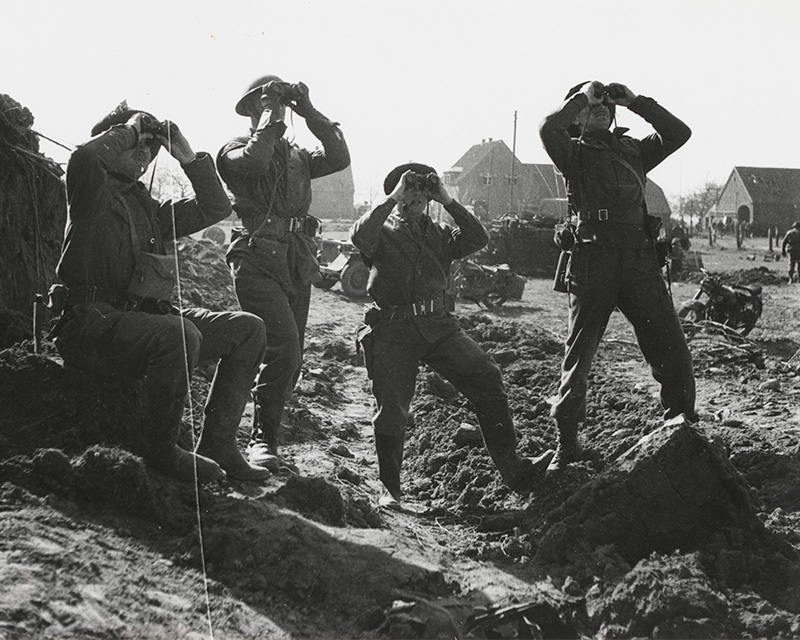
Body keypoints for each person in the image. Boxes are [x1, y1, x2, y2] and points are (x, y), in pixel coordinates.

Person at [54, 103, 270, 483]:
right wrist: (134, 129)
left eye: (151, 151)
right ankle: (158, 448)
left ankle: (218, 444)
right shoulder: (89, 187)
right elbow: (86, 154)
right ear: (113, 141)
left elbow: (216, 207)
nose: (144, 156)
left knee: (248, 329)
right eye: (137, 147)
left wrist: (186, 154)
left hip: (138, 323)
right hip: (89, 325)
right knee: (178, 333)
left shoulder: (148, 207)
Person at [350, 163, 554, 507]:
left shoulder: (441, 235)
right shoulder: (380, 231)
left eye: (421, 191)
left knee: (487, 378)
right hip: (393, 328)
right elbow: (359, 236)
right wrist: (393, 196)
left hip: (439, 326)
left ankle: (514, 470)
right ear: (397, 195)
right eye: (407, 190)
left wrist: (447, 199)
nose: (414, 198)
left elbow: (479, 238)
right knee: (392, 409)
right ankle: (390, 490)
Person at [539, 80, 698, 472]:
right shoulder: (572, 152)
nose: (601, 110)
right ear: (577, 118)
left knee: (668, 341)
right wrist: (582, 98)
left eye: (606, 107)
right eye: (593, 108)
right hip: (595, 260)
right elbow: (547, 128)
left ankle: (681, 425)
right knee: (581, 352)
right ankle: (567, 444)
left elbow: (679, 133)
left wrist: (635, 101)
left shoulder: (634, 150)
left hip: (640, 260)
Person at [217, 75, 350, 467]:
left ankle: (266, 431)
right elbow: (257, 159)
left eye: (276, 106)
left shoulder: (298, 157)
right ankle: (262, 441)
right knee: (284, 349)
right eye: (264, 104)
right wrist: (272, 112)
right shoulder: (234, 151)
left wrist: (307, 110)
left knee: (292, 358)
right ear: (252, 109)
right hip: (256, 259)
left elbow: (339, 156)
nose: (274, 112)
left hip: (296, 259)